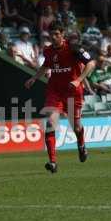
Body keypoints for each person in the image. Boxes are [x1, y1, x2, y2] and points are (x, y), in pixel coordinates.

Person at [24, 21, 96, 173]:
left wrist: (78, 80)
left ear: (63, 34)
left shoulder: (73, 48)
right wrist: (34, 78)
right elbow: (46, 65)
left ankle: (81, 145)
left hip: (72, 92)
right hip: (54, 91)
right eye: (51, 34)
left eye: (57, 34)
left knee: (76, 127)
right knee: (50, 122)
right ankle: (52, 162)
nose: (54, 37)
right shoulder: (48, 51)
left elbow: (91, 63)